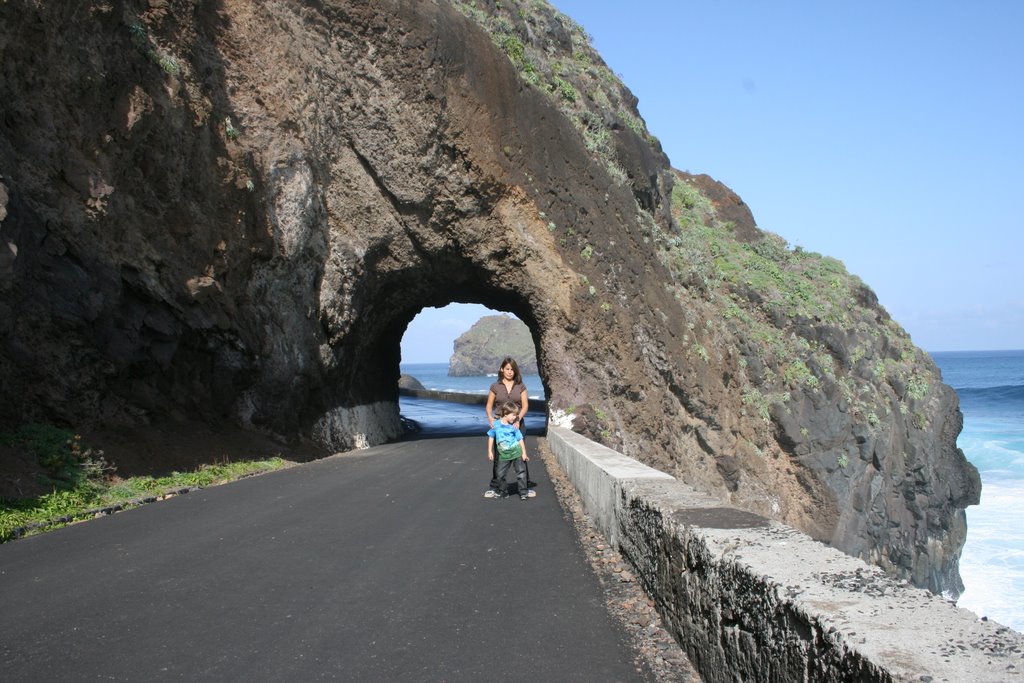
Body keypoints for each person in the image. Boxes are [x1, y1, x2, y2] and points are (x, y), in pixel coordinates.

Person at [484, 357, 535, 498]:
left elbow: (525, 406)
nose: (510, 372)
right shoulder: (495, 386)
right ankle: (495, 487)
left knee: (520, 455)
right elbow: (489, 405)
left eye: (512, 369)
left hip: (517, 424)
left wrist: (518, 419)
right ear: (502, 369)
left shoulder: (521, 386)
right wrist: (490, 418)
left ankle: (525, 486)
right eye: (507, 369)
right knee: (499, 455)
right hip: (499, 425)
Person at [486, 401, 530, 500]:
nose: (515, 417)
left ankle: (523, 492)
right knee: (500, 474)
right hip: (504, 455)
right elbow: (491, 437)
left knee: (521, 472)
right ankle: (503, 491)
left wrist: (524, 453)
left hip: (516, 453)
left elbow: (520, 439)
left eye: (516, 415)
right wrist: (490, 451)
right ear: (505, 413)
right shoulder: (495, 425)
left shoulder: (514, 426)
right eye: (513, 415)